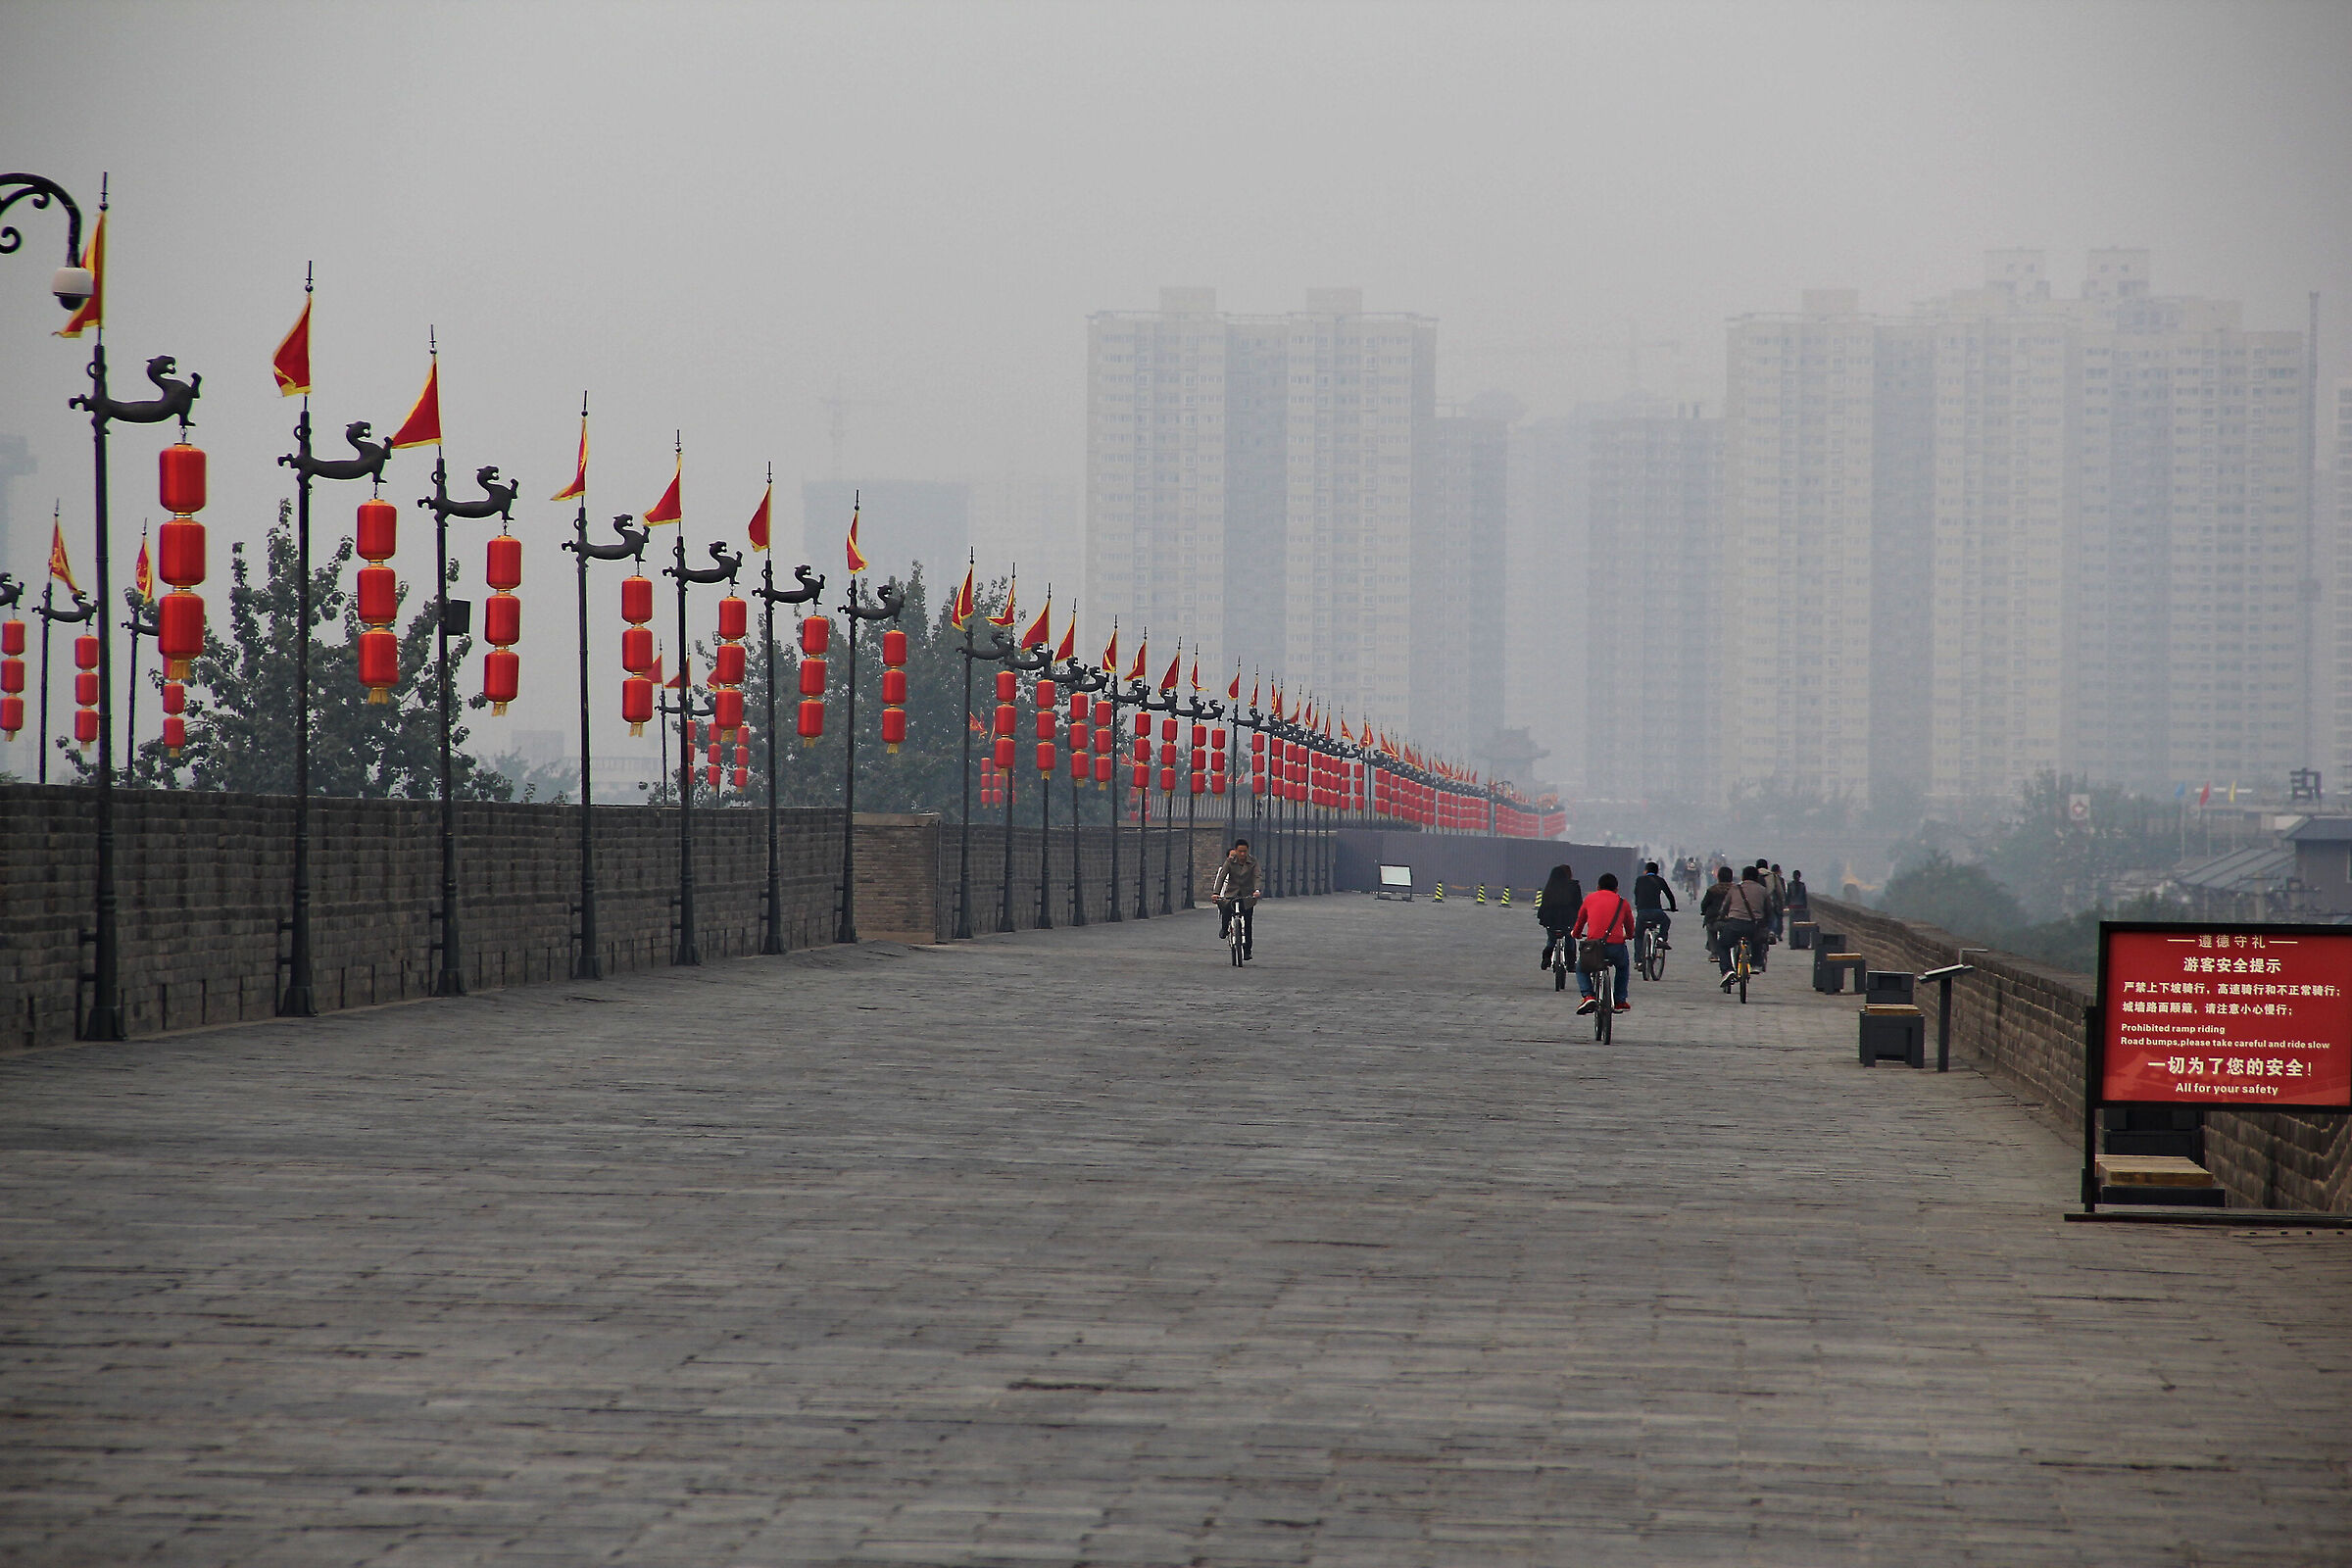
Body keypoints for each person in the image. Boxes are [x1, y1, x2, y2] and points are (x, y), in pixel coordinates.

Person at [1569, 871, 1636, 1016]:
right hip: (1616, 947)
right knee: (1623, 966)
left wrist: (1576, 934)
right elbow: (1630, 925)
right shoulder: (1622, 902)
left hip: (1594, 947)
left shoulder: (1590, 899)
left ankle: (1588, 996)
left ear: (1598, 887)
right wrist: (1629, 935)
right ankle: (1620, 1000)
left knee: (1581, 968)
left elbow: (1580, 921)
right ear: (1616, 889)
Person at [1716, 865, 1771, 992]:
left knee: (1722, 945)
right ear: (1757, 877)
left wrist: (1721, 916)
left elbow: (1725, 906)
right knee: (1757, 939)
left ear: (1743, 877)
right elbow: (1769, 910)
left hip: (1735, 924)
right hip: (1754, 925)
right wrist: (1765, 922)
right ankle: (1756, 964)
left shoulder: (1735, 888)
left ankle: (1728, 970)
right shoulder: (1763, 890)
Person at [1211, 838, 1260, 959]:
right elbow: (1222, 877)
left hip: (1247, 895)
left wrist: (1257, 890)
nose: (1243, 854)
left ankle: (1247, 950)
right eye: (1240, 851)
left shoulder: (1253, 862)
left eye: (1245, 851)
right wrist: (1216, 893)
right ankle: (1224, 929)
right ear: (1236, 851)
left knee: (1248, 922)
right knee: (1226, 909)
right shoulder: (1230, 861)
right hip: (1232, 892)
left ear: (1247, 850)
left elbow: (1257, 876)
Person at [1536, 863, 1583, 971]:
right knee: (1570, 939)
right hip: (1567, 919)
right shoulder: (1574, 886)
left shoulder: (1550, 886)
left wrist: (1541, 917)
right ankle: (1571, 963)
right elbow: (1578, 904)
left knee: (1551, 940)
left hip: (1550, 919)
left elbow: (1544, 904)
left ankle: (1546, 958)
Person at [1632, 858, 1678, 951]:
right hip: (1657, 912)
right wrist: (1673, 908)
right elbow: (1669, 895)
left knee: (1638, 936)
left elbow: (1636, 893)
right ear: (1657, 872)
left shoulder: (1639, 880)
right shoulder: (1660, 880)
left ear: (1646, 871)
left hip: (1642, 913)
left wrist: (1638, 905)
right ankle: (1661, 938)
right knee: (1666, 921)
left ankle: (1638, 961)